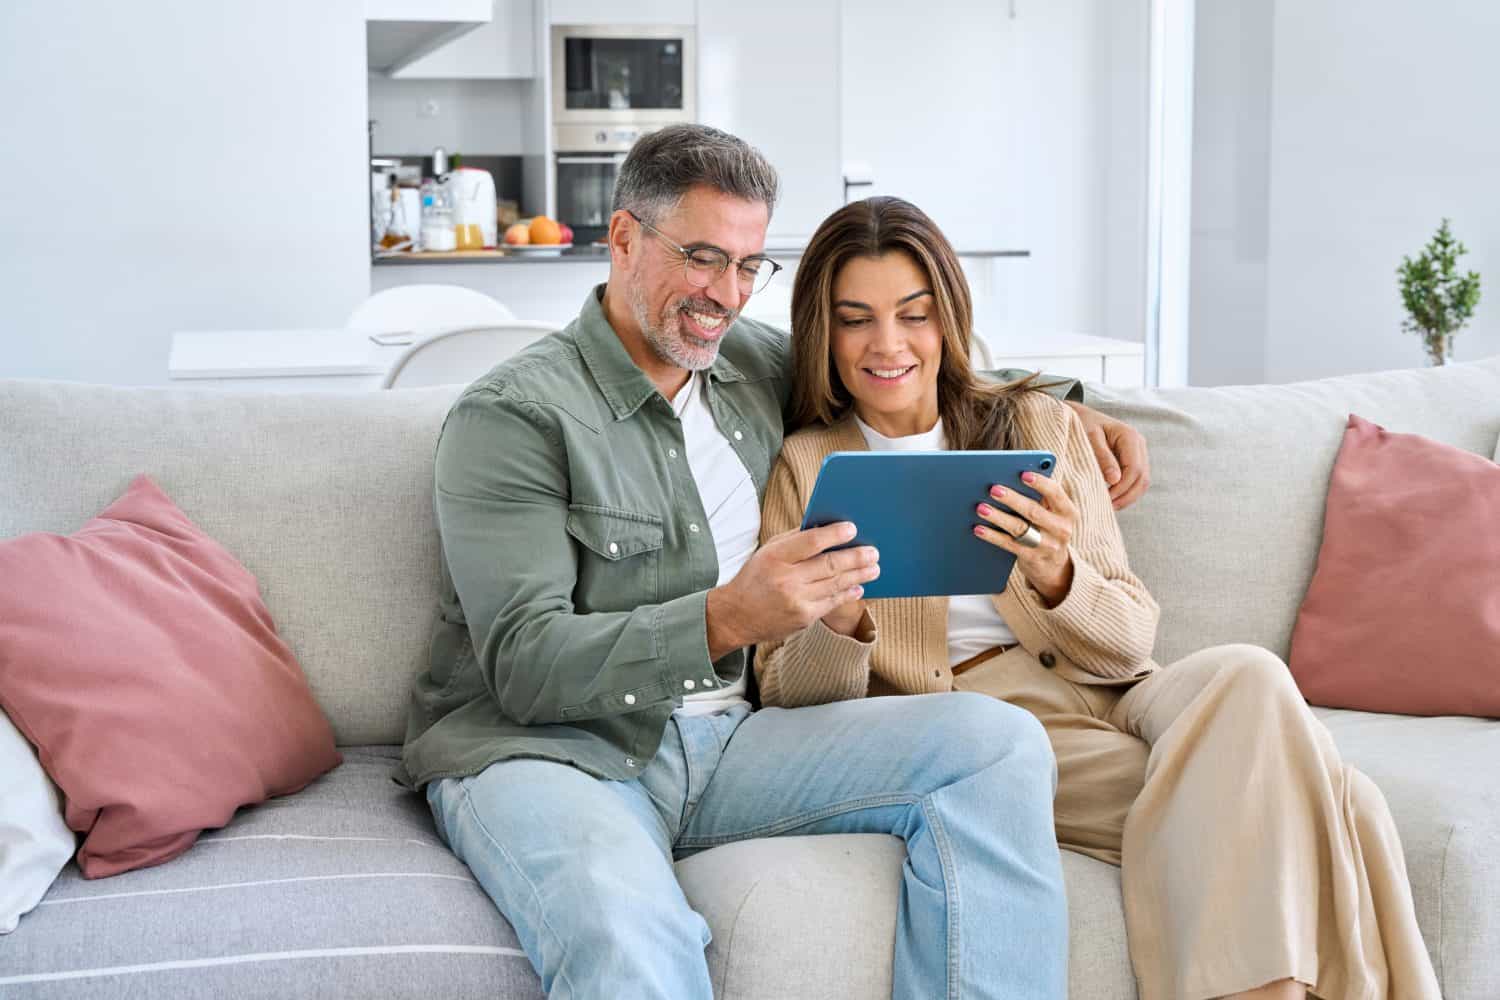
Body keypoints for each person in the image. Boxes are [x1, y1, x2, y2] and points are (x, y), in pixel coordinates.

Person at [395, 124, 1157, 999]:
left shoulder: (746, 360)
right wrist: (728, 619)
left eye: (750, 265)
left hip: (733, 744)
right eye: (703, 257)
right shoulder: (514, 418)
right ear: (623, 238)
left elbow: (899, 356)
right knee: (626, 929)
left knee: (994, 745)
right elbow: (526, 668)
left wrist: (1076, 408)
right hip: (552, 753)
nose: (725, 294)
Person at [755, 196, 1442, 1000]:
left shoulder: (1038, 423)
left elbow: (1130, 641)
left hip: (1112, 688)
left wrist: (1058, 576)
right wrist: (840, 623)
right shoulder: (807, 462)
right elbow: (783, 689)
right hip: (984, 721)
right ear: (821, 333)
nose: (887, 344)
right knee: (1338, 798)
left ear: (948, 319)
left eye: (914, 314)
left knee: (1251, 674)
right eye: (855, 319)